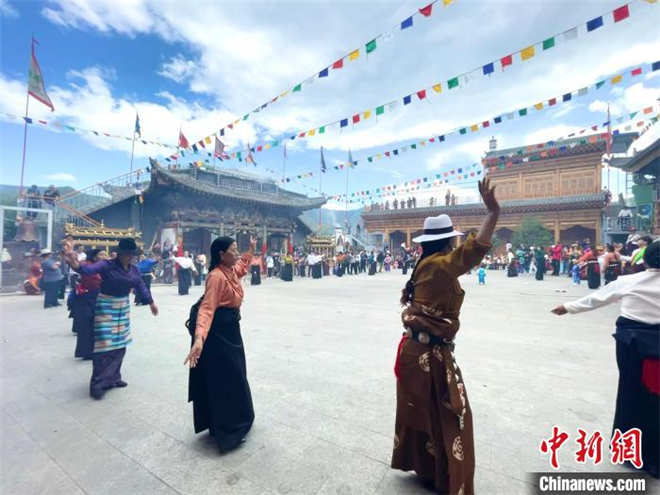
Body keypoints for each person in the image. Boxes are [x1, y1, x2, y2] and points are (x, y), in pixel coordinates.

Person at [392, 178, 499, 494]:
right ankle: (446, 478)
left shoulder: (424, 262)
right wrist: (492, 213)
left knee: (422, 411)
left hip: (415, 350)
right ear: (448, 242)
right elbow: (473, 252)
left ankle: (427, 470)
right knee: (450, 417)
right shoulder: (440, 265)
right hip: (431, 356)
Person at [551, 241, 660, 478]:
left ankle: (632, 452)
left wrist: (567, 307)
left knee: (631, 393)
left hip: (633, 346)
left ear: (645, 260)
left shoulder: (628, 282)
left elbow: (596, 299)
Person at [62, 238, 158, 399]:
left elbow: (140, 285)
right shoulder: (107, 265)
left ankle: (114, 377)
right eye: (128, 254)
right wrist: (74, 264)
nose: (131, 257)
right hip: (106, 306)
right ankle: (98, 383)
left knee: (120, 343)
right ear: (120, 254)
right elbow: (88, 270)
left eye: (132, 255)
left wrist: (151, 302)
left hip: (123, 307)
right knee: (105, 345)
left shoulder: (134, 269)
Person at [185, 236, 256, 453]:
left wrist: (251, 249)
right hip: (218, 335)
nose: (236, 253)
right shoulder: (216, 277)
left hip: (231, 331)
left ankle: (240, 419)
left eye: (237, 250)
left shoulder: (231, 270)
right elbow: (207, 308)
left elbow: (243, 265)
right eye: (233, 250)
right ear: (221, 255)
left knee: (237, 373)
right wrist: (199, 339)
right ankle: (227, 430)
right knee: (227, 379)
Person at [71, 249, 108, 360]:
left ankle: (98, 349)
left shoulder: (107, 267)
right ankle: (87, 352)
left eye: (106, 254)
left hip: (100, 297)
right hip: (86, 297)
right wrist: (72, 259)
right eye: (101, 254)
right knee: (87, 325)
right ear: (94, 257)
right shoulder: (87, 265)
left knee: (99, 324)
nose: (104, 256)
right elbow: (78, 266)